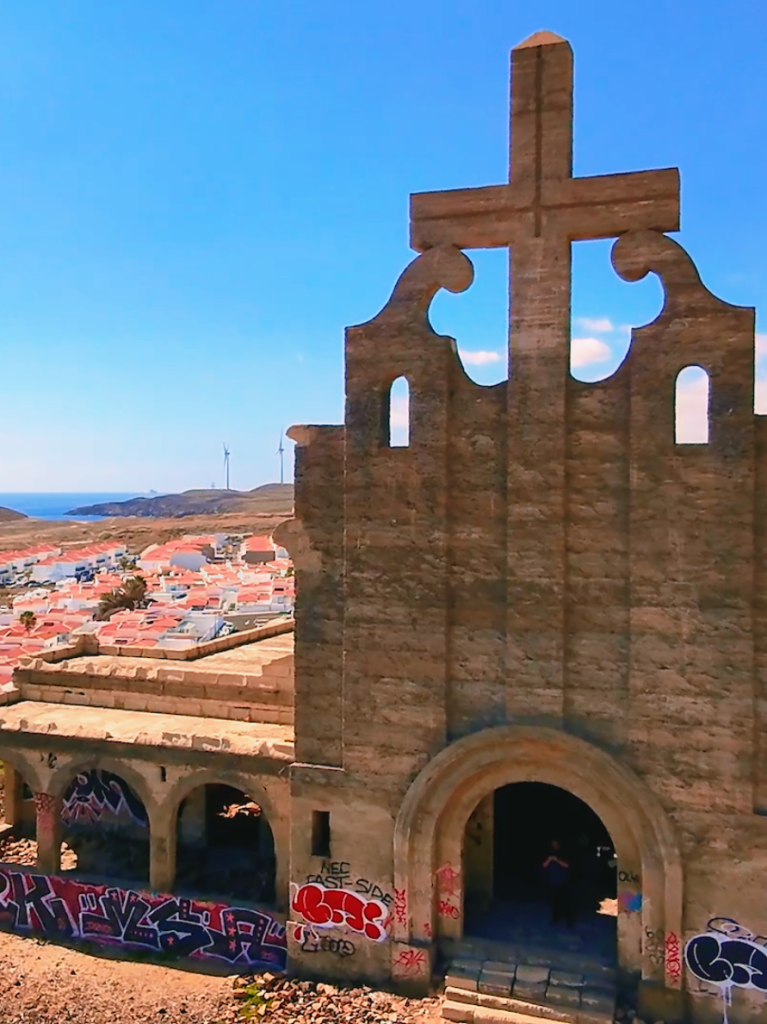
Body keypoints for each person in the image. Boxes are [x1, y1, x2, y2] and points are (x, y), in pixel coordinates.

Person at [542, 840, 574, 926]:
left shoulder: (563, 854)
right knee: (555, 902)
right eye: (553, 845)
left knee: (566, 902)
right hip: (553, 881)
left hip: (563, 882)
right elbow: (544, 866)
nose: (554, 846)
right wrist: (549, 860)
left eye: (556, 844)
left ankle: (569, 920)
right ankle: (555, 919)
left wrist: (557, 860)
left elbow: (567, 865)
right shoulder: (549, 854)